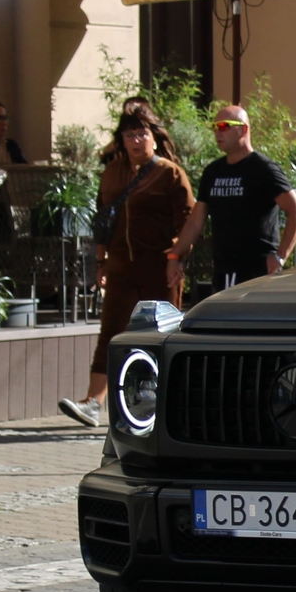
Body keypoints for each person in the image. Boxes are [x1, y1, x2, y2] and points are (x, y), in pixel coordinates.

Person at [57, 99, 193, 428]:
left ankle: (164, 405)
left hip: (158, 269)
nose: (135, 140)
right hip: (120, 268)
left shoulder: (170, 174)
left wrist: (176, 259)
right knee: (111, 335)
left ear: (154, 137)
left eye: (141, 133)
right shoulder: (113, 172)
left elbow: (188, 222)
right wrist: (101, 262)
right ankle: (93, 404)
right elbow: (102, 220)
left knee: (161, 337)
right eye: (129, 134)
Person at [167, 103, 296, 297]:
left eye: (224, 126)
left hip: (257, 271)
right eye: (215, 127)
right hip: (223, 269)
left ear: (243, 130)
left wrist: (280, 257)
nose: (217, 133)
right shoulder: (213, 172)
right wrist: (175, 255)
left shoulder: (263, 169)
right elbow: (195, 222)